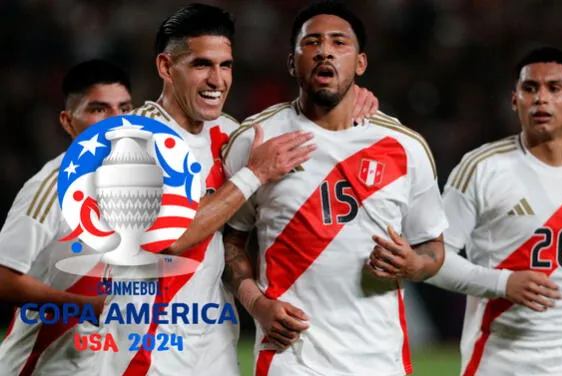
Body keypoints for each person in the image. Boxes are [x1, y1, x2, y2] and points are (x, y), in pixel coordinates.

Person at [110, 4, 379, 375]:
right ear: (166, 68)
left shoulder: (227, 131)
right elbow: (170, 238)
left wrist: (351, 98)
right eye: (202, 64)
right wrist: (253, 174)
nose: (217, 80)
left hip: (213, 344)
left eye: (226, 65)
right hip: (146, 348)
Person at [221, 1, 447, 375]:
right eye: (312, 42)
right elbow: (228, 244)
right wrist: (257, 304)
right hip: (289, 358)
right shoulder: (255, 140)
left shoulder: (406, 147)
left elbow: (433, 251)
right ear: (292, 62)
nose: (325, 50)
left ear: (360, 63)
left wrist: (413, 264)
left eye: (339, 42)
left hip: (379, 361)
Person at [427, 47, 562, 376]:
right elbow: (432, 261)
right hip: (501, 358)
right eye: (530, 88)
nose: (541, 98)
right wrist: (503, 283)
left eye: (554, 88)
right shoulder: (481, 168)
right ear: (515, 101)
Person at [0, 59, 133, 376]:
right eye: (99, 110)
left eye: (125, 109)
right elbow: (3, 279)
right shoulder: (51, 188)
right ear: (67, 121)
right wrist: (84, 306)